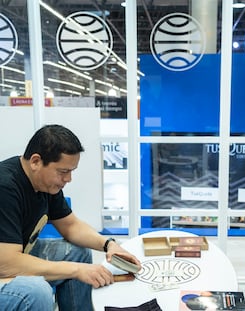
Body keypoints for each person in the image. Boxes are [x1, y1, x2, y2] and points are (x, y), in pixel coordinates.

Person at [0, 124, 141, 311]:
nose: (68, 179)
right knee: (37, 291)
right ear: (35, 161)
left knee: (78, 252)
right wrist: (77, 270)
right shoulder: (5, 187)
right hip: (5, 261)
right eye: (63, 171)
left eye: (71, 171)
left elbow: (71, 225)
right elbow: (7, 264)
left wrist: (109, 245)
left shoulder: (45, 184)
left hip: (15, 253)